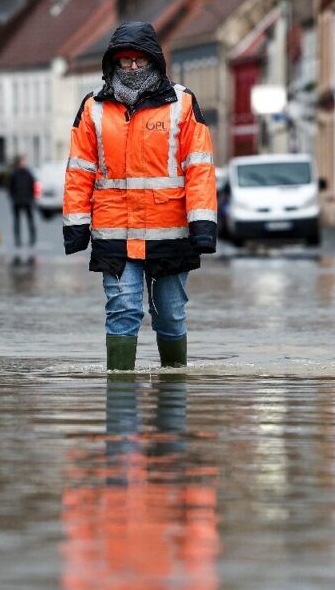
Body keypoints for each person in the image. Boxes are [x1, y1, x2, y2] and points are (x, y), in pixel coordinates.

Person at [62, 21, 218, 371]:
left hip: (171, 233)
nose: (132, 67)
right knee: (123, 309)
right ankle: (120, 413)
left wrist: (204, 224)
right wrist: (75, 225)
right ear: (113, 64)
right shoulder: (94, 108)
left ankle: (172, 401)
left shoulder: (182, 104)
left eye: (140, 61)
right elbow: (79, 171)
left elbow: (200, 168)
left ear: (154, 61)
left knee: (171, 315)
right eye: (125, 61)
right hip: (115, 234)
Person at [8, 155, 37, 247]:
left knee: (30, 221)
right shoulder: (14, 174)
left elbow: (34, 186)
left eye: (24, 162)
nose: (23, 164)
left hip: (27, 201)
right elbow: (10, 187)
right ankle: (17, 240)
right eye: (22, 162)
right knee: (17, 221)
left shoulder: (29, 174)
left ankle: (32, 239)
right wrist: (13, 198)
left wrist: (32, 198)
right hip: (17, 202)